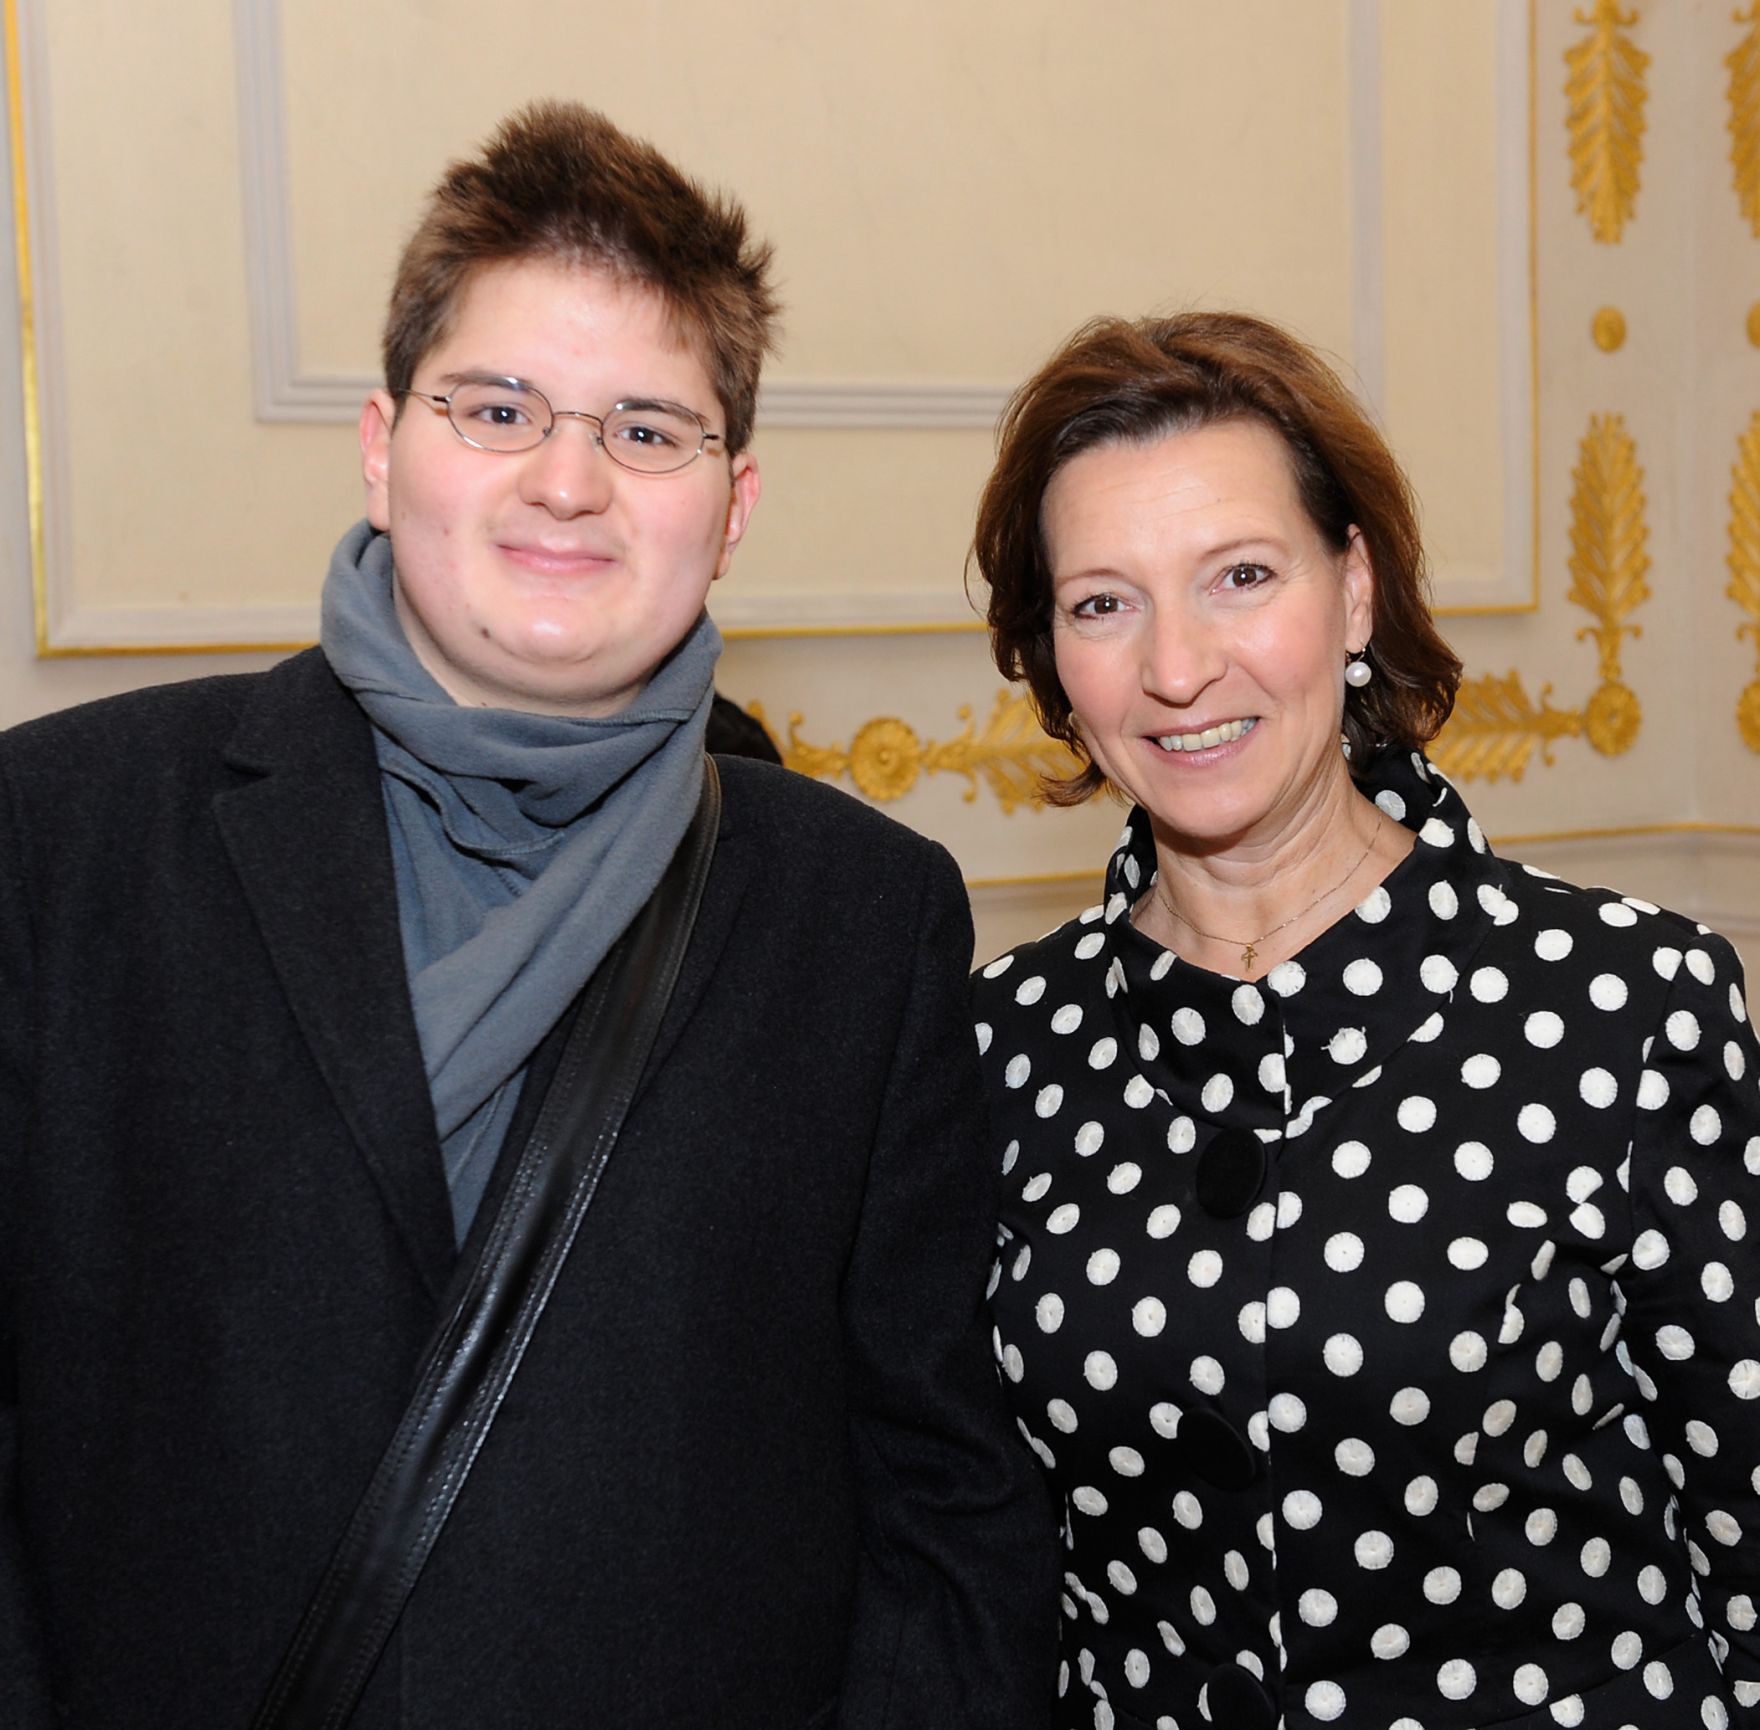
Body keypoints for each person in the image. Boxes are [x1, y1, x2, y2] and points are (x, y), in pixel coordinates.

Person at [0, 103, 1056, 1728]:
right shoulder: (63, 841)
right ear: (380, 444)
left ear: (734, 503)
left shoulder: (863, 920)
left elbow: (941, 1504)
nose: (568, 482)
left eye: (647, 429)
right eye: (497, 408)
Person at [968, 310, 1760, 1729]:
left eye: (1241, 576)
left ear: (1351, 590)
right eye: (1102, 603)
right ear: (1050, 658)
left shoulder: (1627, 1006)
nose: (1176, 667)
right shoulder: (998, 1048)